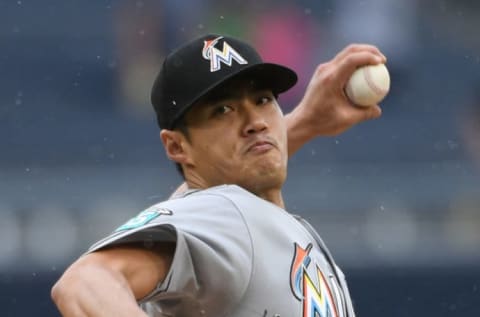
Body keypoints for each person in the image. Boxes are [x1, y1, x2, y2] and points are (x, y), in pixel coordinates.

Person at [51, 34, 386, 317]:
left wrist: (305, 122)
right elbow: (84, 283)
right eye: (222, 110)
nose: (257, 122)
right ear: (177, 146)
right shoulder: (227, 215)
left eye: (263, 99)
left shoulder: (233, 216)